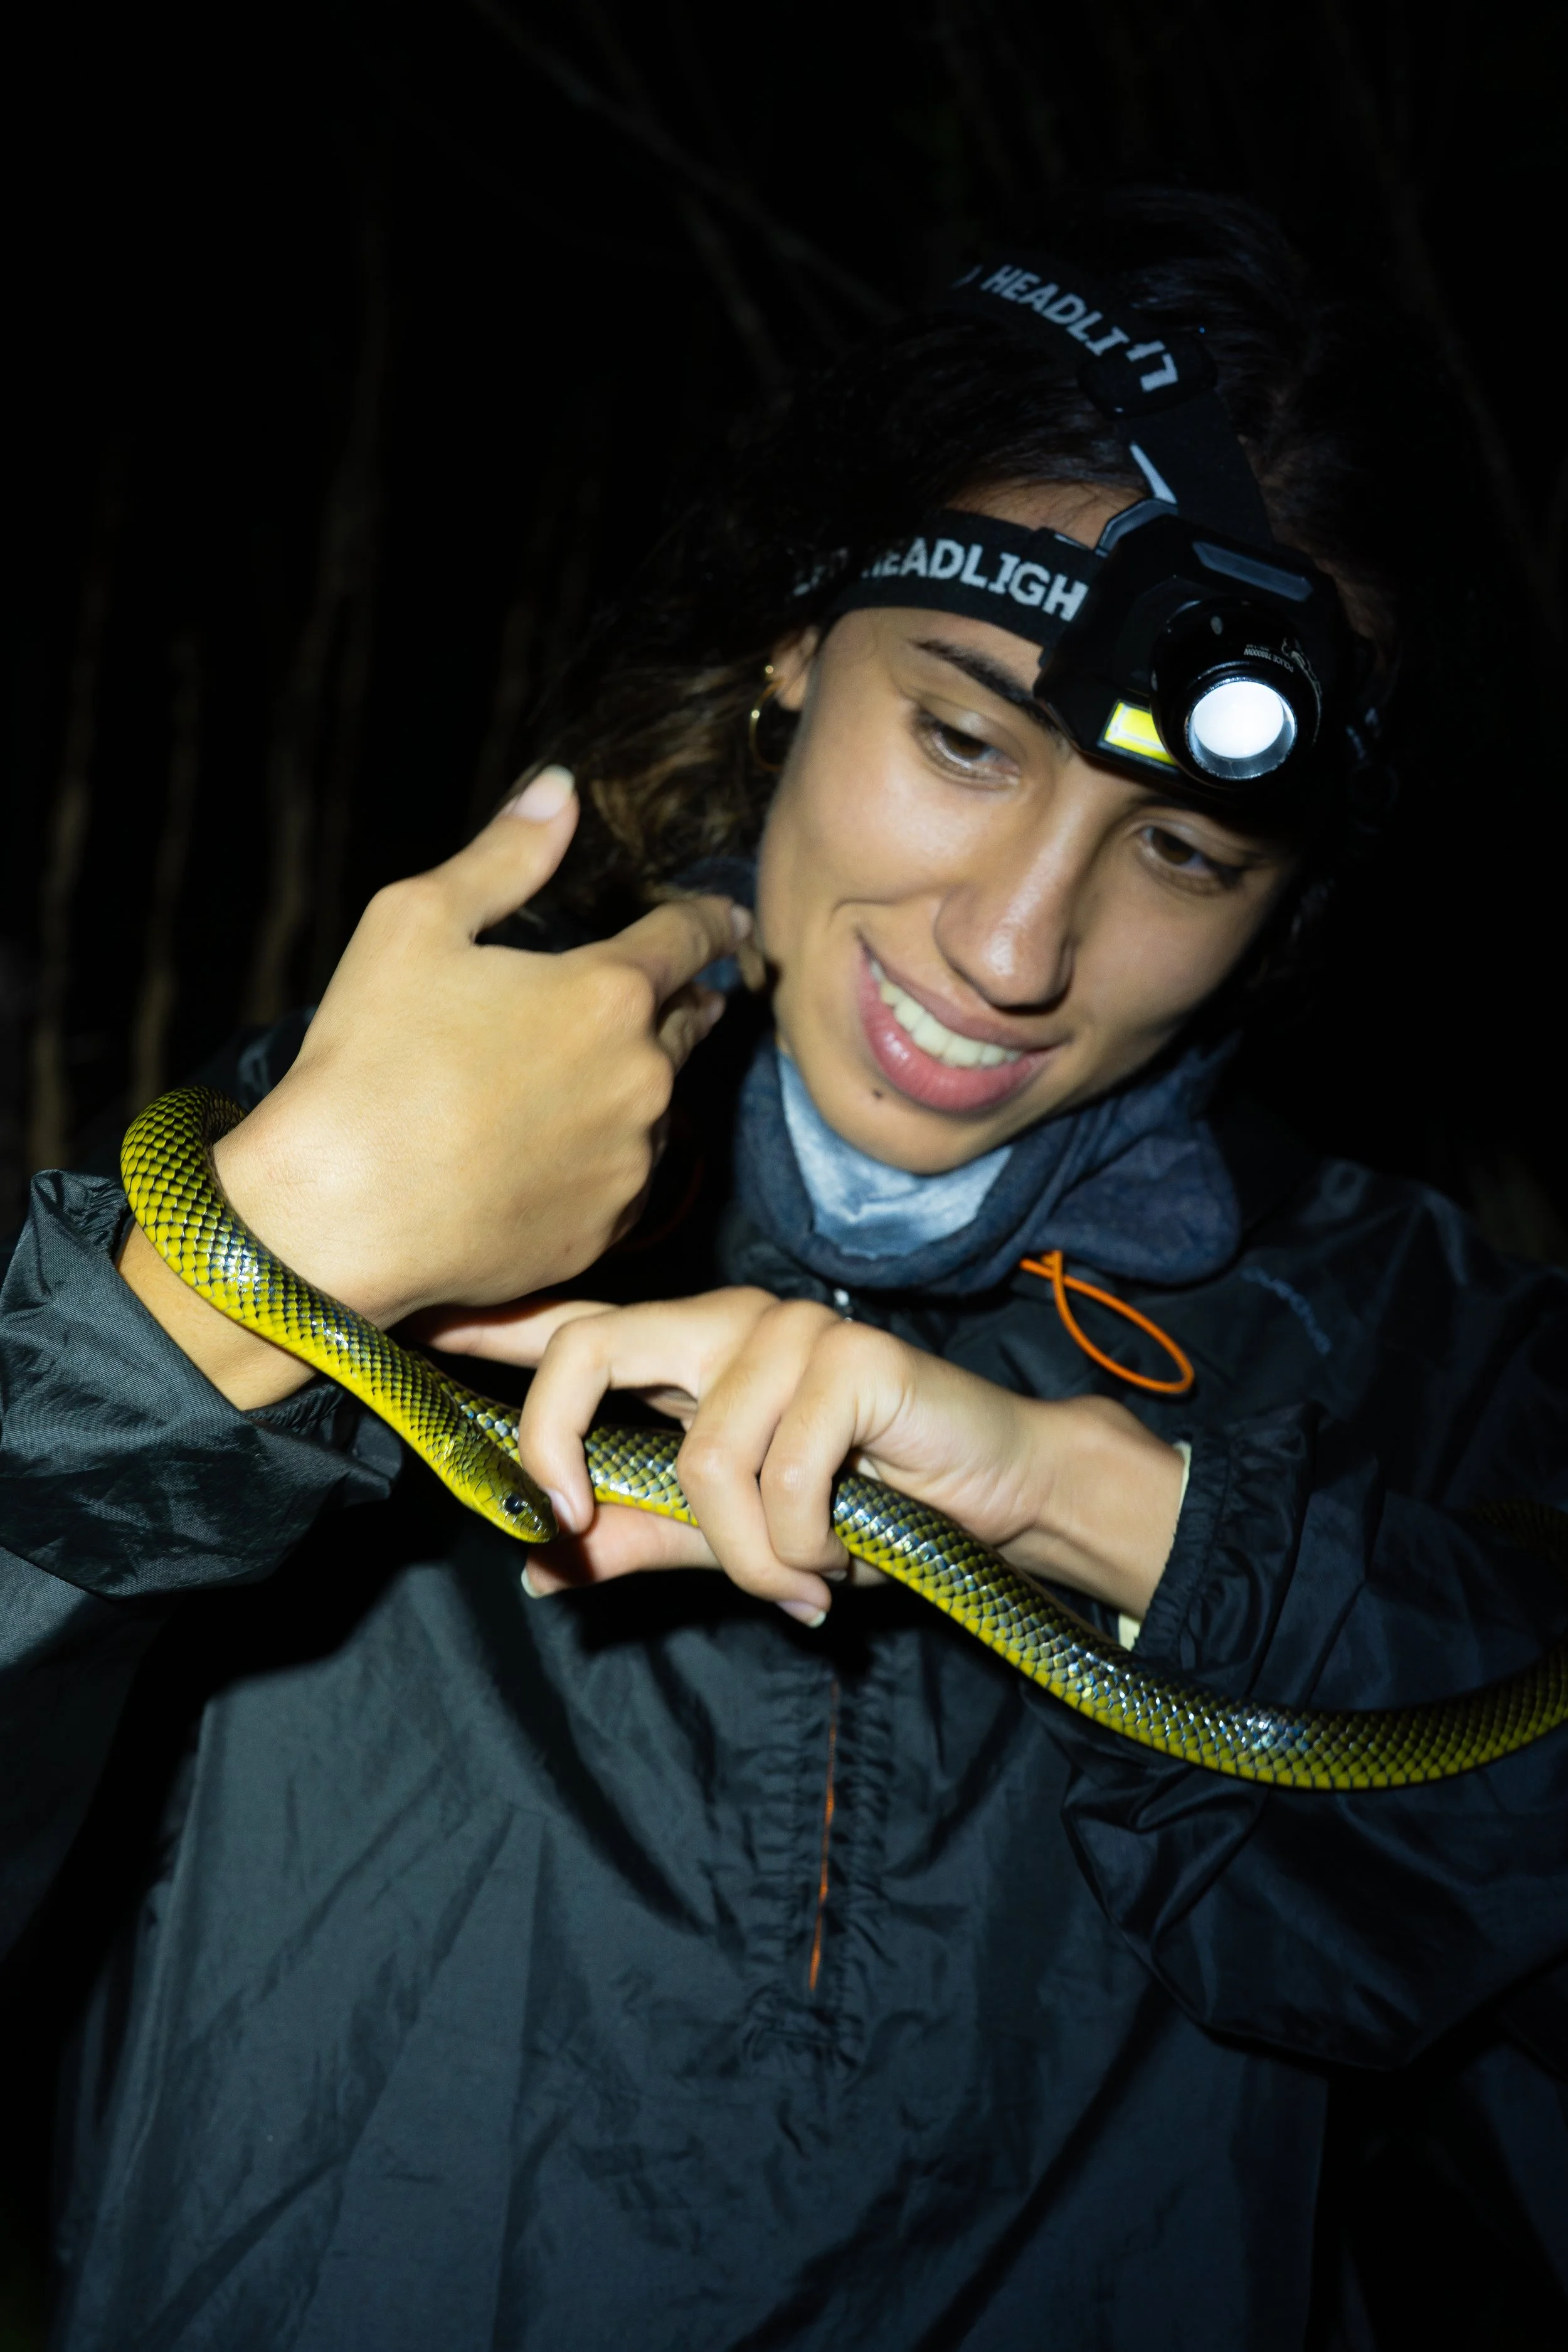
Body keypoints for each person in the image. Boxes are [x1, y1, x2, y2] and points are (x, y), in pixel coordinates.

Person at [3, 189, 1567, 2351]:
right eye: (962, 738)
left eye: (1184, 850)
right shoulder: (345, 1158)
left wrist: (1130, 1518)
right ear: (793, 646)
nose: (1013, 949)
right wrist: (238, 1280)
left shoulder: (1431, 1359)